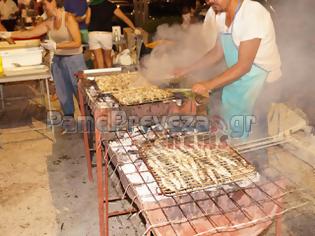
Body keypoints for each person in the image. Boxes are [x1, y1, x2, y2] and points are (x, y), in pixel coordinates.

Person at [175, 0, 281, 141]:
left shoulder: (251, 13)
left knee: (254, 136)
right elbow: (216, 52)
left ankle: (257, 161)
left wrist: (208, 85)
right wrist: (187, 69)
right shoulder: (220, 16)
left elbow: (244, 65)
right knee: (230, 130)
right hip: (239, 80)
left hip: (261, 83)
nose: (209, 1)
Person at [0, 0, 87, 132]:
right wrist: (10, 34)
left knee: (80, 93)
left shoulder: (68, 18)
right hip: (58, 61)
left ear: (54, 3)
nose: (44, 7)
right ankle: (70, 124)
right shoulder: (49, 21)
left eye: (46, 4)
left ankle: (90, 125)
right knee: (63, 94)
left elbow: (77, 42)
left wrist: (56, 46)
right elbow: (31, 33)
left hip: (74, 60)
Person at [86, 0, 140, 68]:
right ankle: (109, 77)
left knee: (98, 59)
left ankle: (101, 78)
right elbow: (124, 18)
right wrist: (134, 29)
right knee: (107, 58)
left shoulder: (91, 5)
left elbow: (87, 21)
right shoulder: (111, 5)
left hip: (93, 34)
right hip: (106, 35)